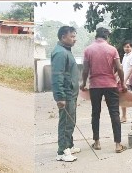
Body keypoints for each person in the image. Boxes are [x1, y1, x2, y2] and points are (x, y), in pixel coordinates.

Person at [81, 27, 127, 154]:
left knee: (95, 113)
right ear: (107, 37)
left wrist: (84, 83)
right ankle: (118, 145)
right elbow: (120, 68)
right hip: (110, 85)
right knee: (114, 113)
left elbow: (85, 70)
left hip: (95, 86)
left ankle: (97, 142)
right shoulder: (112, 49)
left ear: (97, 36)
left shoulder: (88, 49)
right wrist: (122, 84)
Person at [51, 26, 80, 162]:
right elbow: (57, 76)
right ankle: (61, 152)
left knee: (71, 121)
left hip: (71, 93)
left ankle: (69, 145)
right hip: (66, 95)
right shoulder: (60, 53)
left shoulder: (66, 51)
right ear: (63, 37)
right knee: (66, 123)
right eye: (72, 36)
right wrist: (60, 97)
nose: (75, 39)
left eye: (75, 36)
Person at [120, 40, 132, 123]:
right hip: (124, 80)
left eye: (128, 47)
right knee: (123, 98)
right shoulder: (125, 56)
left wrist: (125, 81)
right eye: (125, 47)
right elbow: (122, 67)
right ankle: (124, 116)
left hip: (131, 81)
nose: (126, 48)